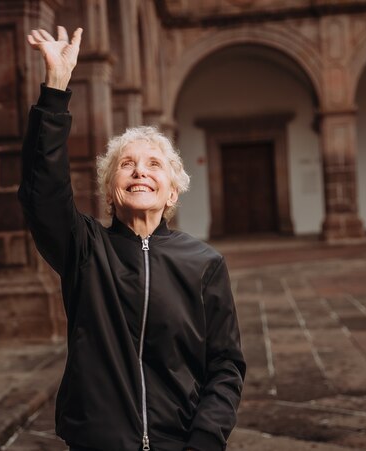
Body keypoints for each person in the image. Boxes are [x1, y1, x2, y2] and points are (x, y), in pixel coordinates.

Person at [19, 26, 245, 451]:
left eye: (154, 164)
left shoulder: (204, 263)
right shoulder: (85, 250)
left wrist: (204, 440)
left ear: (172, 191)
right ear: (110, 190)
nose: (141, 171)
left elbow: (225, 365)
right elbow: (42, 192)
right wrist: (56, 88)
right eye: (127, 164)